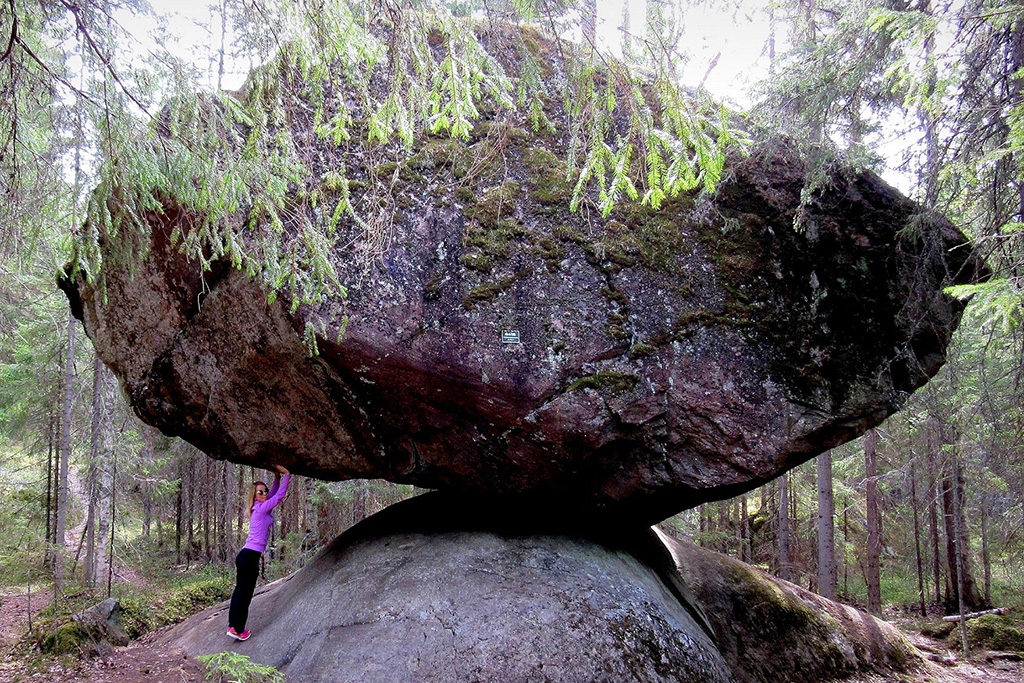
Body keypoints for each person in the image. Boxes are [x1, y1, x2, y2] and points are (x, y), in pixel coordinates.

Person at [227, 464, 290, 641]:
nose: (264, 494)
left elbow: (273, 494)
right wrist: (287, 476)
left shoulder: (258, 507)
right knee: (245, 594)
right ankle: (238, 630)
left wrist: (277, 478)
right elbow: (279, 496)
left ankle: (232, 625)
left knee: (239, 590)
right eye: (260, 492)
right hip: (249, 557)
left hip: (246, 555)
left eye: (264, 491)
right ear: (254, 496)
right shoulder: (261, 508)